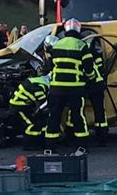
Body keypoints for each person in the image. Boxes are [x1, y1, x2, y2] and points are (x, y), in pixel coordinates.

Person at [45, 18, 95, 150]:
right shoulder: (82, 46)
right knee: (78, 116)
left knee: (54, 116)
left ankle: (50, 147)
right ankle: (82, 145)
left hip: (56, 89)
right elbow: (89, 69)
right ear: (78, 30)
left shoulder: (56, 45)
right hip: (75, 89)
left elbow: (49, 66)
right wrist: (90, 79)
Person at [66, 38, 108, 146]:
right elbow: (99, 64)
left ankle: (72, 136)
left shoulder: (75, 53)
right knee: (99, 112)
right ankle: (102, 138)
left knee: (77, 110)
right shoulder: (89, 50)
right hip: (97, 83)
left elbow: (85, 72)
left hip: (88, 84)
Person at [9, 74, 51, 150]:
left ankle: (39, 142)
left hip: (23, 105)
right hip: (20, 106)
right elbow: (43, 103)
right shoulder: (39, 87)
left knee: (40, 121)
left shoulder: (37, 80)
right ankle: (29, 144)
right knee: (32, 124)